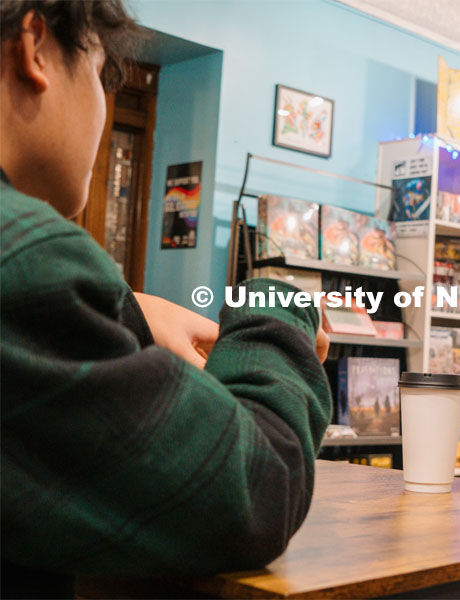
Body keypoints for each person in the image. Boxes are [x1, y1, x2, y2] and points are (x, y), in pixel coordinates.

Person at [0, 1, 332, 597]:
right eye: (103, 76)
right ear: (35, 48)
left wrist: (126, 309)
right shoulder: (27, 258)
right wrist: (277, 315)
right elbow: (259, 489)